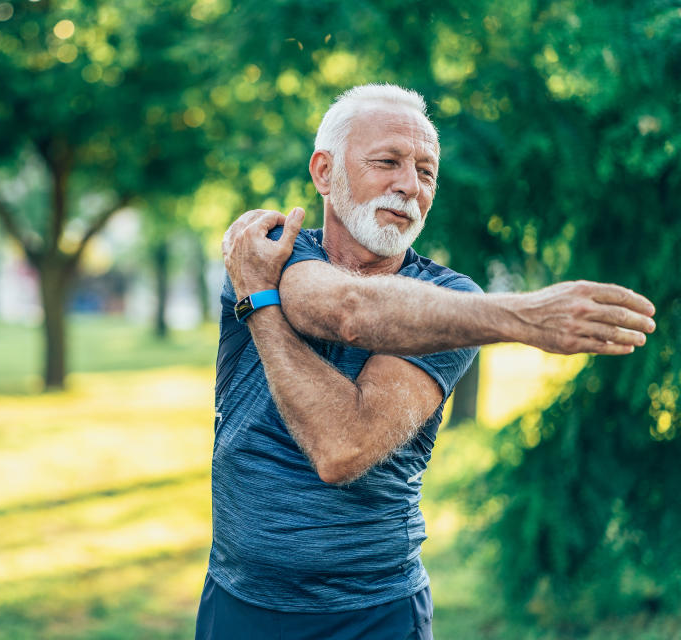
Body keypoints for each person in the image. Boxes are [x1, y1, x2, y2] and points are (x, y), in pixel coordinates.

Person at [195, 84, 656, 640]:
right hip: (239, 601)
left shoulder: (452, 301)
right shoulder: (271, 250)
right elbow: (347, 310)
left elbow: (343, 447)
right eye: (387, 161)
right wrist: (522, 317)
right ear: (324, 172)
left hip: (374, 614)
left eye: (426, 171)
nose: (409, 185)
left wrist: (260, 304)